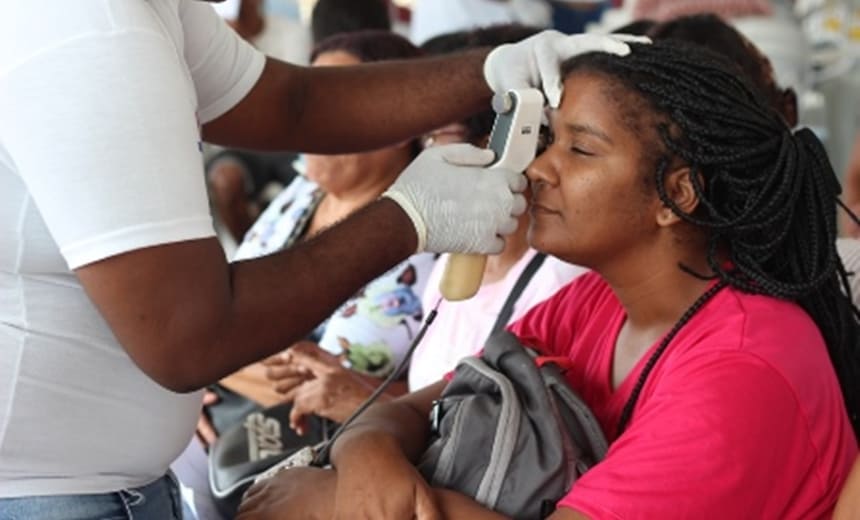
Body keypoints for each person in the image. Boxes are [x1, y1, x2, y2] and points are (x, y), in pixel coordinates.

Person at [0, 0, 640, 517]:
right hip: (52, 495)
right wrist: (406, 218)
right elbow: (187, 338)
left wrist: (497, 67)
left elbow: (293, 102)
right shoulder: (81, 23)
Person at [237, 40, 859, 520]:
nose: (537, 169)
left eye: (579, 150)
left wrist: (324, 498)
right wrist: (365, 453)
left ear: (677, 194)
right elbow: (416, 407)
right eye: (547, 140)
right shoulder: (598, 300)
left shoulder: (740, 370)